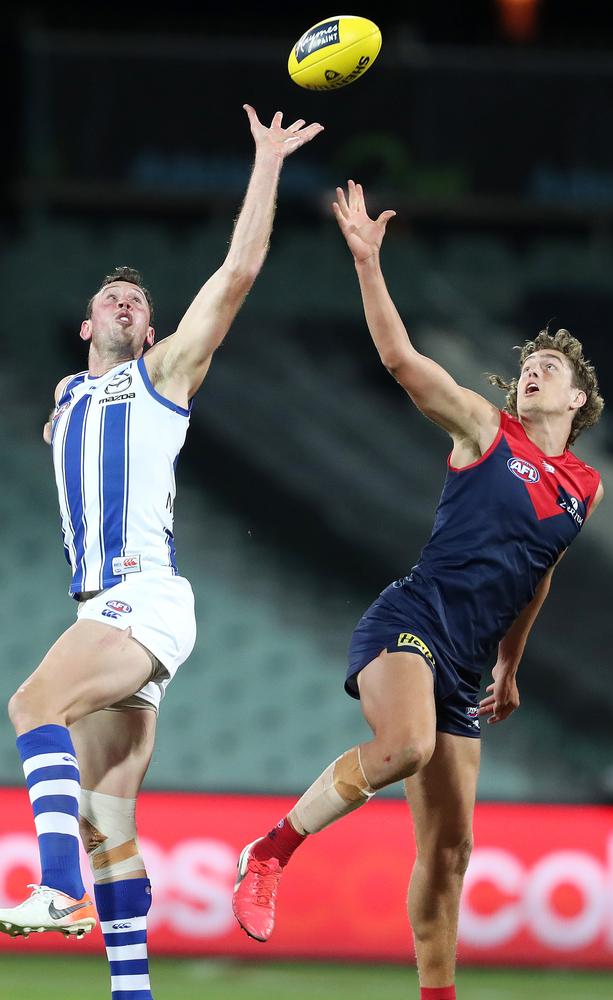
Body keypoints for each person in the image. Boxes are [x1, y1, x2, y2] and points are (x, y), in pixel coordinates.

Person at [232, 180, 605, 1000]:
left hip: (469, 663)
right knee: (409, 747)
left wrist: (510, 666)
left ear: (578, 401)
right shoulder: (484, 427)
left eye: (552, 370)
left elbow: (535, 575)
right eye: (530, 367)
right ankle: (270, 853)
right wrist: (368, 262)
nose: (534, 372)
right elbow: (402, 360)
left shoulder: (584, 487)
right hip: (411, 621)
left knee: (450, 854)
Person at [0, 105, 323, 1000]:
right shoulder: (66, 396)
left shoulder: (161, 377)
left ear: (149, 333)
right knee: (109, 819)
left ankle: (58, 889)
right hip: (101, 605)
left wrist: (265, 164)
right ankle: (132, 992)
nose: (125, 298)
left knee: (32, 704)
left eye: (137, 301)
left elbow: (240, 269)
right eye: (109, 294)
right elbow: (61, 430)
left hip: (139, 596)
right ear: (84, 325)